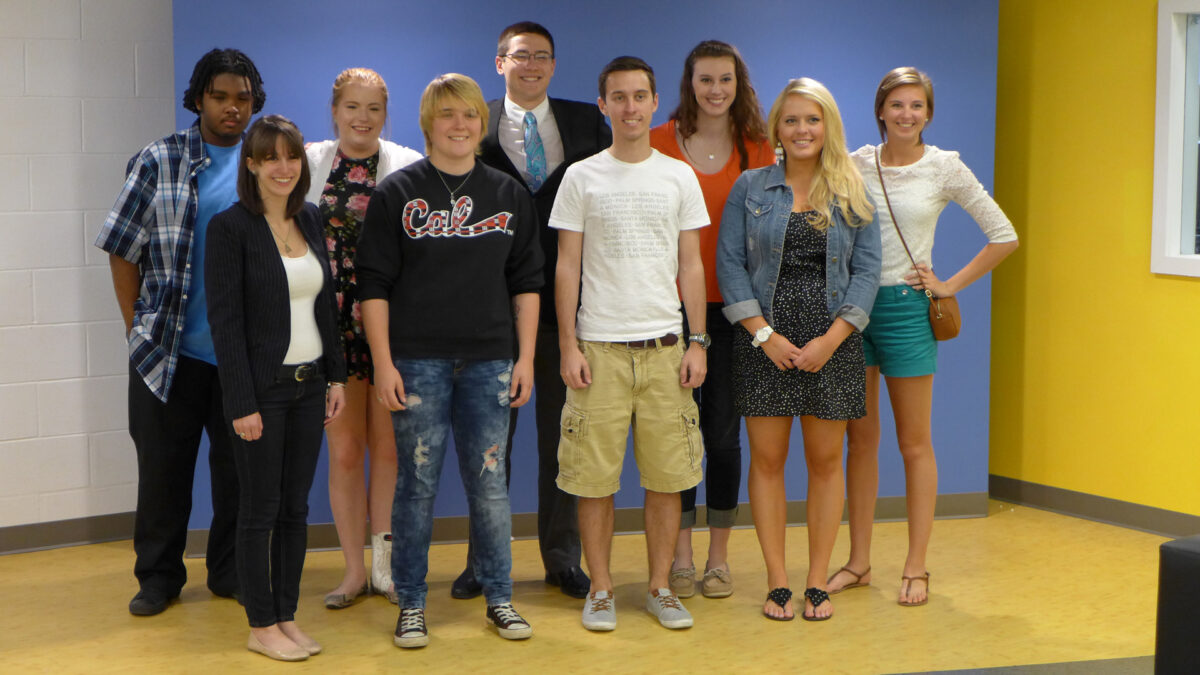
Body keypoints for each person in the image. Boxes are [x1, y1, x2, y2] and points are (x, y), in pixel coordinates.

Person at [357, 73, 543, 648]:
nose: (458, 125)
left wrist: (525, 359)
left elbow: (527, 282)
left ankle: (500, 598)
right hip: (417, 362)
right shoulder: (397, 193)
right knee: (416, 485)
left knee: (491, 486)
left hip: (490, 361)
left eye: (468, 115)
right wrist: (384, 363)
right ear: (428, 124)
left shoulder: (507, 194)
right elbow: (373, 285)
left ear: (481, 124)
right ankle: (411, 602)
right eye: (446, 115)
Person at [829, 67, 1019, 606]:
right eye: (897, 105)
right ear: (880, 110)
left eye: (916, 106)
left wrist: (947, 284)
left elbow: (1004, 235)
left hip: (909, 312)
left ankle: (916, 566)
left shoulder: (944, 167)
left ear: (928, 114)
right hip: (854, 310)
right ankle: (859, 562)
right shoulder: (855, 164)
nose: (906, 114)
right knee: (859, 441)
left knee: (914, 443)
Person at [95, 48, 265, 617]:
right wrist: (135, 328)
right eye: (219, 97)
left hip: (241, 357)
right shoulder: (159, 159)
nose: (232, 108)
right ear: (197, 99)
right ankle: (158, 578)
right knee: (163, 474)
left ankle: (230, 572)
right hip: (167, 352)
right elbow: (121, 248)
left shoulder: (266, 161)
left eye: (242, 98)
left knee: (238, 475)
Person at [448, 19, 612, 603]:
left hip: (570, 309)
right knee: (489, 446)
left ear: (554, 65)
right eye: (521, 55)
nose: (532, 65)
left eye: (542, 56)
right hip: (491, 310)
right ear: (500, 63)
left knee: (564, 440)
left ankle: (562, 558)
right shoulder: (474, 121)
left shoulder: (588, 123)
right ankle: (484, 561)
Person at [551, 56, 709, 632]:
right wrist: (568, 345)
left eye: (640, 96)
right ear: (603, 106)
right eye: (618, 97)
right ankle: (601, 588)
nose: (630, 107)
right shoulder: (581, 177)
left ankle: (661, 587)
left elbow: (691, 266)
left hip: (667, 349)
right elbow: (567, 266)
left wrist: (698, 342)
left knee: (667, 478)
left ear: (654, 102)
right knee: (593, 481)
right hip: (599, 350)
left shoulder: (678, 176)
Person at [716, 77, 881, 621]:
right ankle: (778, 582)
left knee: (826, 463)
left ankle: (817, 581)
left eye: (812, 119)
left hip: (833, 344)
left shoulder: (853, 191)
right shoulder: (750, 187)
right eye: (791, 120)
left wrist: (831, 341)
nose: (802, 129)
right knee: (766, 462)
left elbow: (867, 272)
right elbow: (730, 265)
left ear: (828, 126)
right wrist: (765, 336)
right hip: (764, 341)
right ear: (777, 129)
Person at [206, 115, 347, 661]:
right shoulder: (231, 228)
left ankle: (286, 615)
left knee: (295, 510)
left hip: (309, 387)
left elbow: (325, 305)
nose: (283, 168)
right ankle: (260, 624)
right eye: (270, 158)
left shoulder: (307, 217)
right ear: (251, 165)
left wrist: (336, 376)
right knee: (259, 510)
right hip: (261, 392)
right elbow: (225, 324)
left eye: (291, 157)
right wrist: (240, 402)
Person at [648, 39, 774, 600]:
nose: (716, 90)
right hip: (665, 310)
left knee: (722, 437)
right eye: (705, 79)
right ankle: (679, 555)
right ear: (689, 83)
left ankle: (718, 559)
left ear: (738, 84)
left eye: (726, 79)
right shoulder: (656, 143)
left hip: (738, 311)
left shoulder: (760, 147)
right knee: (675, 437)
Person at [304, 67, 422, 608]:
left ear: (386, 114)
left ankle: (385, 568)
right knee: (346, 452)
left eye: (374, 108)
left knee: (390, 451)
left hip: (390, 326)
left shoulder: (408, 165)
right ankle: (353, 571)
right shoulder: (309, 162)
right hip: (330, 329)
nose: (363, 118)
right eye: (352, 107)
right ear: (335, 111)